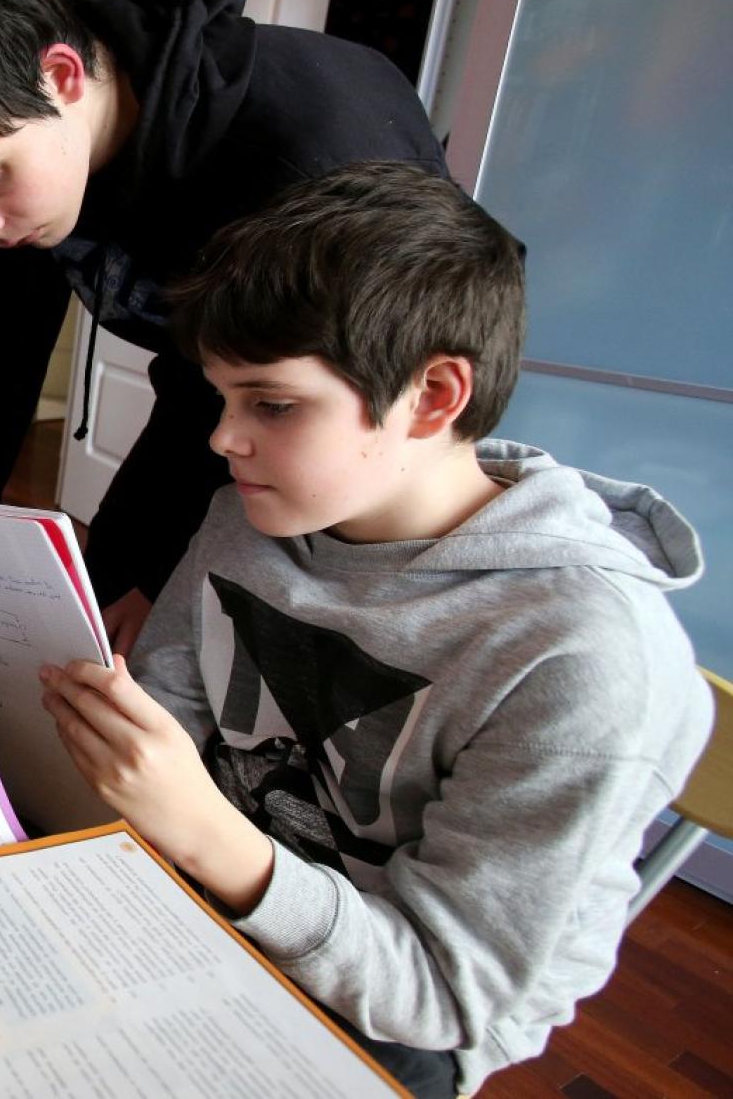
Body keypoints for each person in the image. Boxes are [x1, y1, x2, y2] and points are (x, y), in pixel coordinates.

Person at [35, 163, 710, 1098]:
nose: (222, 439)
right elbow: (171, 715)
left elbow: (440, 988)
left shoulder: (583, 657)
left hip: (391, 1012)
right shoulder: (256, 510)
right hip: (208, 884)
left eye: (271, 404)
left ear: (435, 397)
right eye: (222, 398)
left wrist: (201, 834)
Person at [0, 0, 447, 653]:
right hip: (215, 400)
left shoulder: (308, 156)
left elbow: (277, 409)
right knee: (102, 613)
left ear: (61, 76)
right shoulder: (18, 140)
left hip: (357, 447)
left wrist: (158, 573)